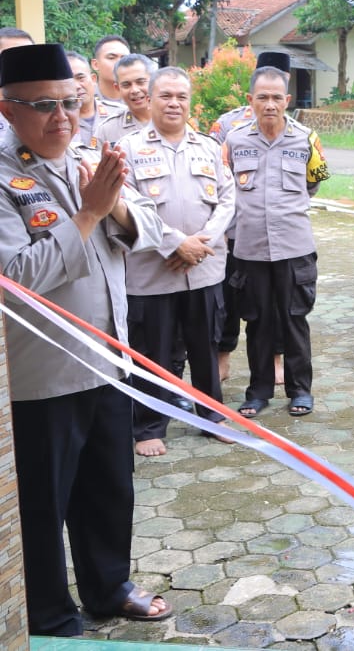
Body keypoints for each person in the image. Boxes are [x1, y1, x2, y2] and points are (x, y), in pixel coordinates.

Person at [0, 43, 170, 634]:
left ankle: (108, 585)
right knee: (44, 503)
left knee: (108, 486)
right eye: (43, 106)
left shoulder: (85, 155)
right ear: (7, 111)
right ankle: (47, 612)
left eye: (70, 103)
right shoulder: (4, 176)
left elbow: (149, 227)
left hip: (107, 356)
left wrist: (113, 205)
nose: (62, 119)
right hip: (43, 373)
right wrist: (89, 214)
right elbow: (15, 279)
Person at [118, 67, 235, 457]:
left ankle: (212, 417)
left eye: (181, 97)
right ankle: (149, 426)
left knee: (206, 346)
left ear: (189, 102)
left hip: (203, 271)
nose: (174, 103)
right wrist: (174, 244)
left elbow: (227, 199)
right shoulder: (128, 149)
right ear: (149, 99)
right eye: (165, 95)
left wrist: (202, 243)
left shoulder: (208, 146)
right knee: (154, 351)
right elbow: (128, 204)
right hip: (153, 274)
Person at [226, 60, 329, 418]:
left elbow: (314, 182)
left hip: (294, 247)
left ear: (287, 99)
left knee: (294, 319)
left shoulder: (306, 139)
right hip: (249, 248)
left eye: (276, 97)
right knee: (257, 322)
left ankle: (301, 390)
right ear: (250, 100)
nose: (269, 105)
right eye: (262, 98)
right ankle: (258, 391)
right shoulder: (234, 140)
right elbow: (225, 191)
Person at [213, 51, 287, 384]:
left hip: (278, 235)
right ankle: (223, 356)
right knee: (228, 300)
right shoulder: (227, 125)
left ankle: (276, 359)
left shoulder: (299, 132)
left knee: (276, 303)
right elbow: (213, 174)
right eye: (264, 88)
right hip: (233, 234)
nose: (270, 100)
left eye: (279, 88)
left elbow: (312, 180)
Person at [92, 53, 155, 146]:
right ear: (117, 88)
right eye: (126, 85)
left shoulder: (174, 120)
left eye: (140, 82)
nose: (134, 90)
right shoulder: (107, 130)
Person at [91, 34, 130, 118]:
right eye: (111, 58)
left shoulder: (140, 100)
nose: (119, 63)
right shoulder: (86, 99)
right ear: (95, 64)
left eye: (124, 59)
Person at [66, 51, 98, 146]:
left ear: (93, 79)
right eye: (69, 80)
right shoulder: (57, 121)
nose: (76, 86)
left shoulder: (118, 114)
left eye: (81, 78)